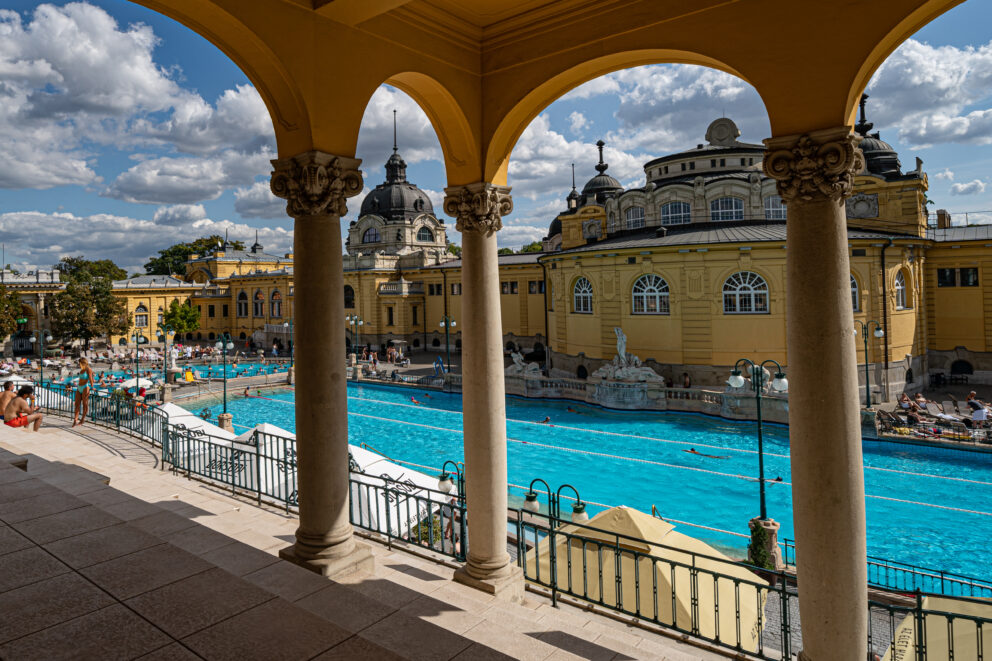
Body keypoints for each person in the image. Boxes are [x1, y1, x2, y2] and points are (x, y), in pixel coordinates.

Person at [72, 357, 94, 427]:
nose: (79, 364)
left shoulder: (88, 369)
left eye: (80, 363)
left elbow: (91, 379)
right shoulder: (82, 369)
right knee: (77, 404)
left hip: (85, 387)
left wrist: (92, 387)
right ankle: (75, 419)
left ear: (83, 363)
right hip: (79, 387)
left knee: (85, 404)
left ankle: (82, 419)